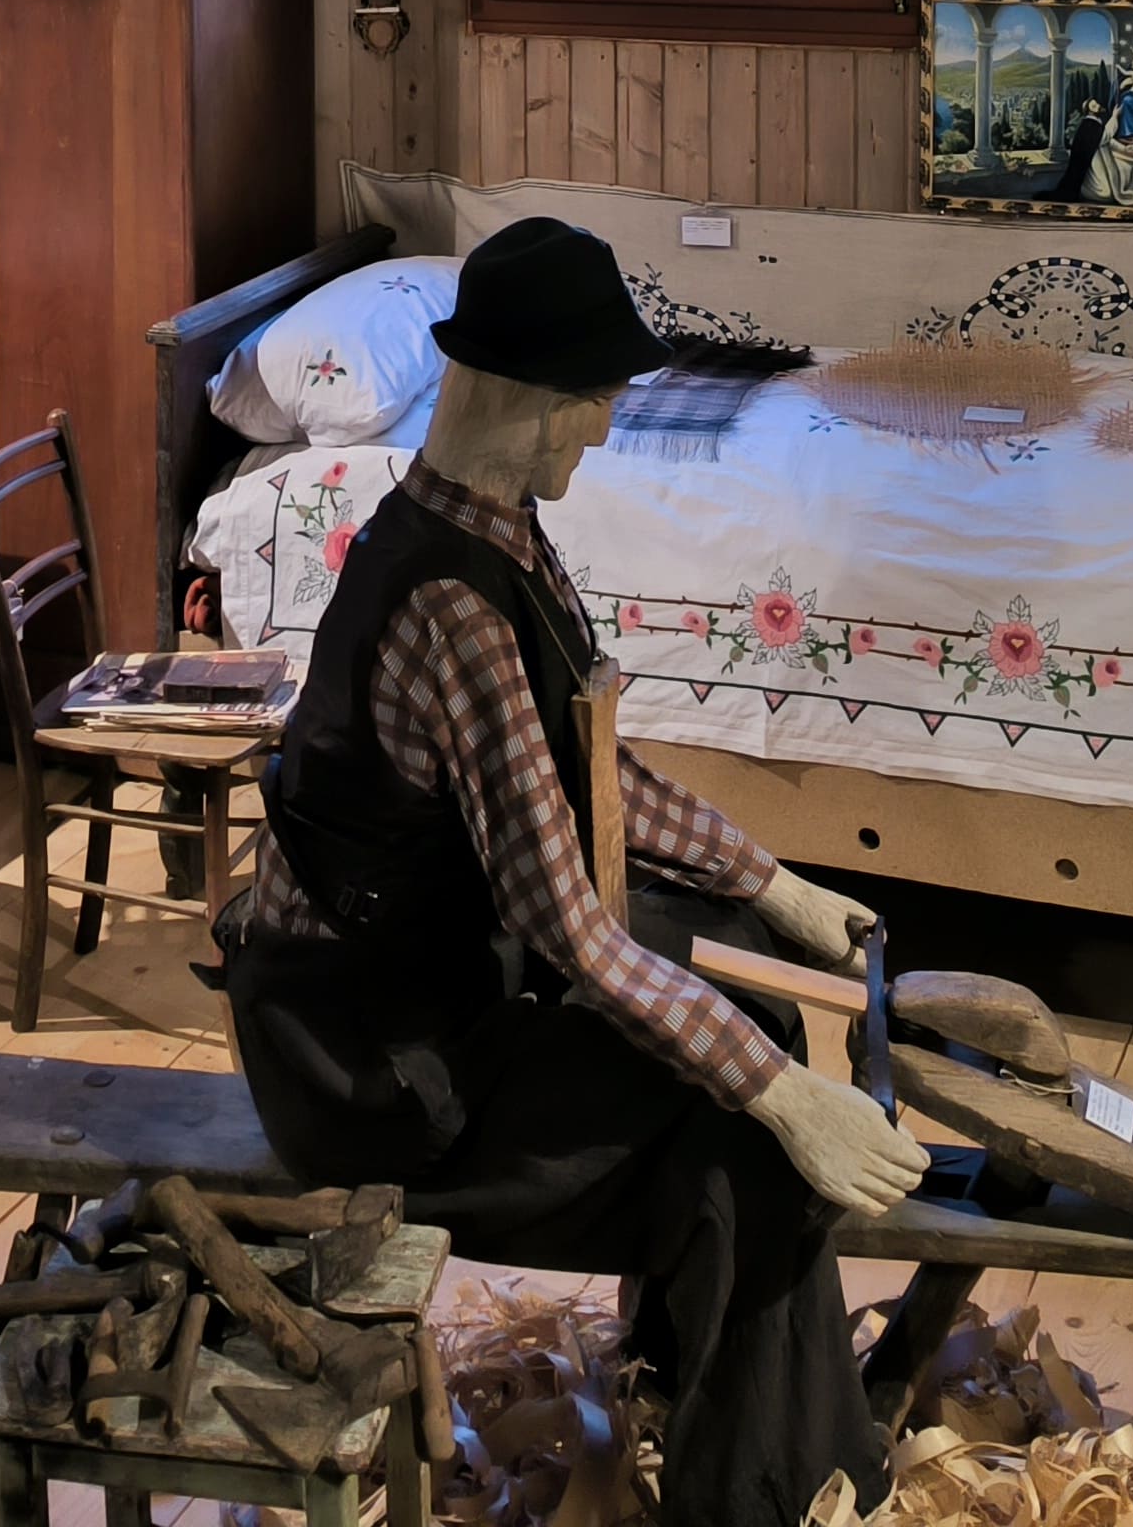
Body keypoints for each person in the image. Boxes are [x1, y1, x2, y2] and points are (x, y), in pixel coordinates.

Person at [222, 219, 922, 1527]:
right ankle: (763, 1494)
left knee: (741, 1010)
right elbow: (568, 932)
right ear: (529, 397)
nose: (603, 430)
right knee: (749, 1150)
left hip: (418, 1002)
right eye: (595, 399)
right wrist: (785, 1100)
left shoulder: (492, 538)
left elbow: (593, 774)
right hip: (370, 1076)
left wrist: (772, 888)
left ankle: (695, 1390)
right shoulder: (456, 606)